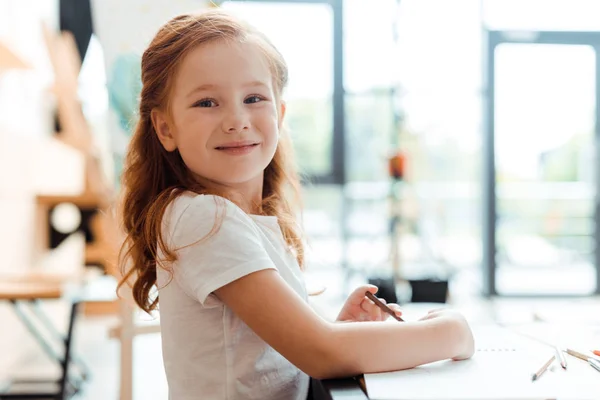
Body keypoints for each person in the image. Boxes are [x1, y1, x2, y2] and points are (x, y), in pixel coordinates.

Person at [117, 9, 474, 400]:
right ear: (165, 128)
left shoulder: (243, 218)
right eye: (207, 102)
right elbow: (320, 352)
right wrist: (451, 331)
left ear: (279, 114)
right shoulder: (206, 219)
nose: (236, 119)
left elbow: (273, 360)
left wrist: (336, 332)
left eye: (253, 97)